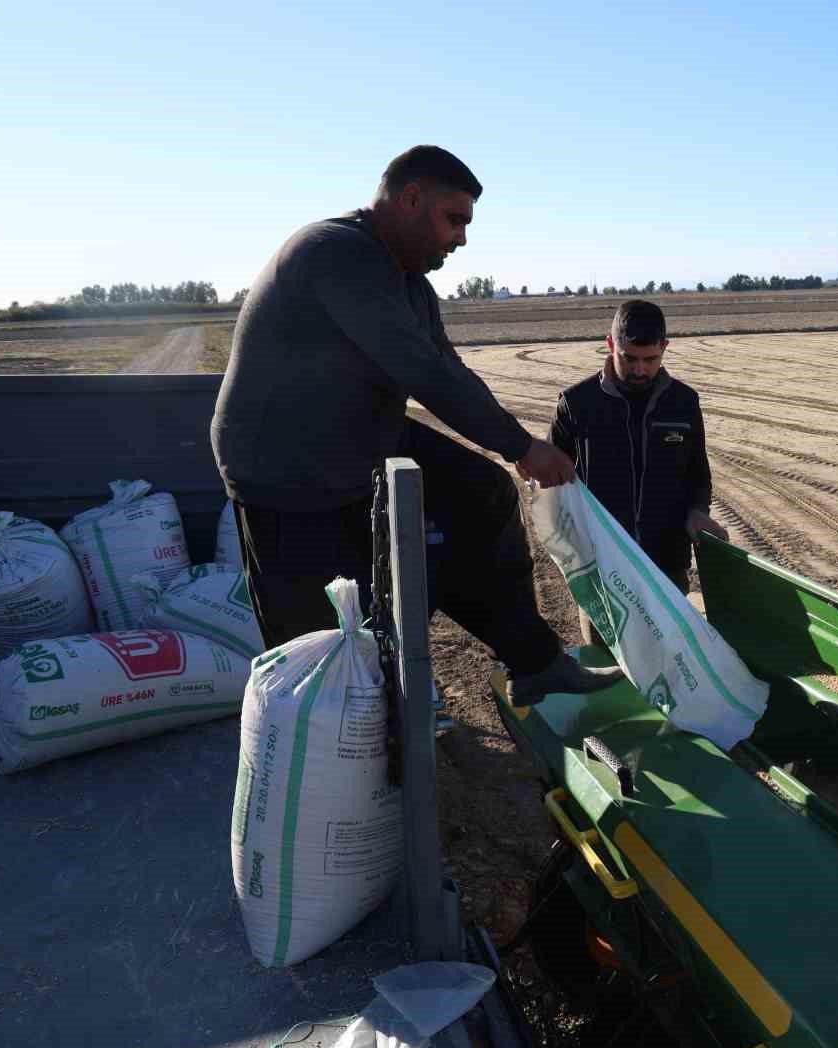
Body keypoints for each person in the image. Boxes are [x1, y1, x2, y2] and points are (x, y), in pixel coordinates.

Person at [210, 145, 621, 706]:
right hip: (286, 466)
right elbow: (421, 370)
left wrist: (516, 447)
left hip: (359, 437)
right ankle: (335, 744)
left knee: (481, 495)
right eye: (455, 219)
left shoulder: (408, 284)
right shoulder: (335, 253)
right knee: (324, 636)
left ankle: (535, 663)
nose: (462, 239)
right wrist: (520, 445)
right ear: (409, 198)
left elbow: (449, 367)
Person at [549, 299, 728, 647]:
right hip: (602, 568)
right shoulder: (576, 405)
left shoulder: (684, 403)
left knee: (671, 661)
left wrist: (697, 512)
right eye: (629, 358)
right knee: (609, 662)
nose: (639, 370)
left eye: (650, 360)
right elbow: (551, 485)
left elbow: (697, 472)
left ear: (665, 348)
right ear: (610, 344)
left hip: (667, 566)